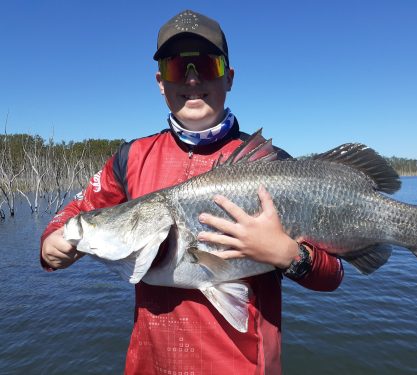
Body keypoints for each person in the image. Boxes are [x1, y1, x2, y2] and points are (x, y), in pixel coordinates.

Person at [40, 9, 343, 374]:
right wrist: (52, 241)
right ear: (159, 81)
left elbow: (334, 275)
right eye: (175, 68)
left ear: (229, 77)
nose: (192, 78)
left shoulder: (273, 167)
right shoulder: (129, 158)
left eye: (206, 64)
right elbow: (78, 211)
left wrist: (287, 255)